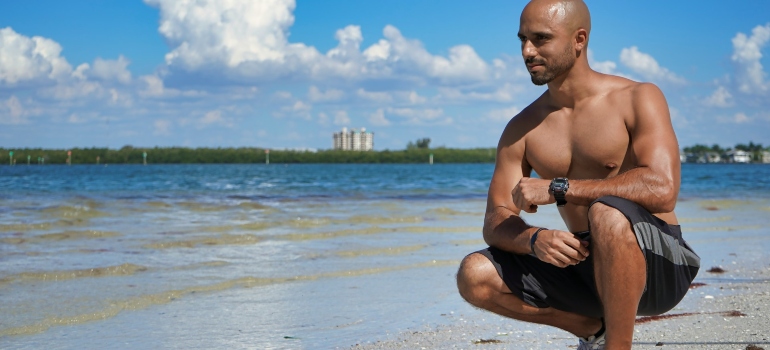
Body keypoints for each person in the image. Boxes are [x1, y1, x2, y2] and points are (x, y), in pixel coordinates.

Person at [455, 0, 700, 349]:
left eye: (541, 38)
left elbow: (663, 189)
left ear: (579, 40)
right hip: (587, 266)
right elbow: (495, 220)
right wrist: (534, 239)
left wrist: (558, 188)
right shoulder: (522, 128)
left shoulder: (637, 98)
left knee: (607, 213)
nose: (527, 50)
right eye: (522, 39)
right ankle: (590, 329)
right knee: (474, 275)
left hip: (659, 265)